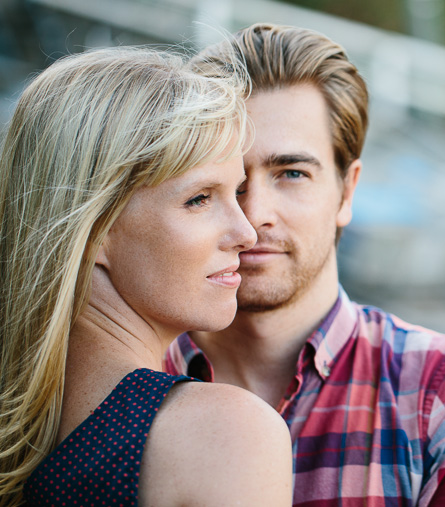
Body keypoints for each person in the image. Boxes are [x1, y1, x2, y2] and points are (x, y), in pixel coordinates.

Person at [165, 23, 445, 506]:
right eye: (225, 178)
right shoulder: (118, 388)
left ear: (347, 191)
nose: (252, 216)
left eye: (291, 173)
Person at [0, 47, 292, 506]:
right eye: (199, 198)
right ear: (95, 231)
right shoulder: (225, 435)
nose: (246, 232)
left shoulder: (23, 438)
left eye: (234, 193)